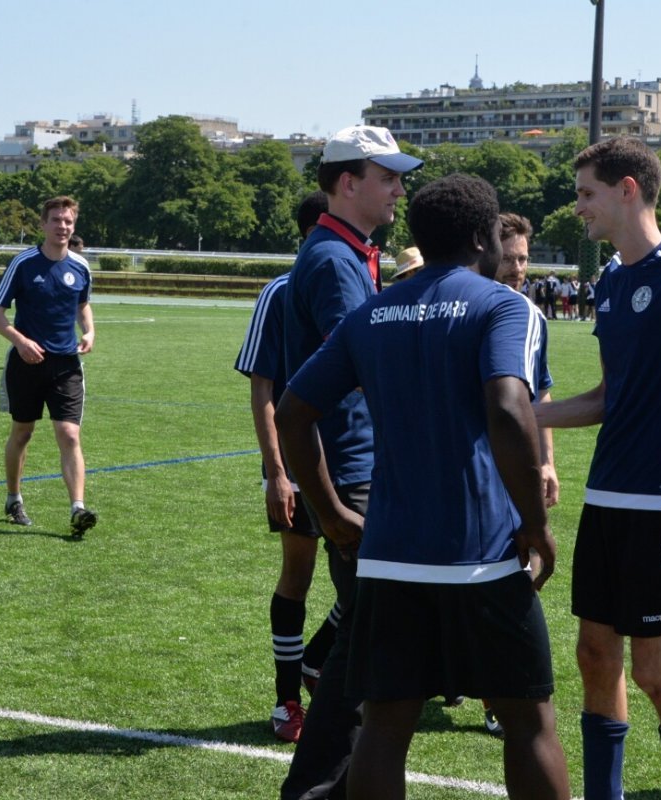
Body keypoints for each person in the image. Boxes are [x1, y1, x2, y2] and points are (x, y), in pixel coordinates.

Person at [277, 173, 570, 800]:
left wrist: (329, 513)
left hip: (388, 558)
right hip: (482, 559)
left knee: (385, 727)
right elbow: (510, 408)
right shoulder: (503, 305)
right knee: (528, 722)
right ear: (480, 236)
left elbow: (292, 413)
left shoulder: (372, 313)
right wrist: (537, 525)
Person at [535, 137, 661, 800]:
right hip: (606, 499)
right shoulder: (612, 282)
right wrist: (521, 417)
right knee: (594, 657)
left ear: (626, 189)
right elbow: (608, 396)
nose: (578, 206)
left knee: (653, 670)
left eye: (587, 192)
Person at [277, 125, 422, 799]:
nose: (399, 187)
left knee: (369, 635)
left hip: (354, 469)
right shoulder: (335, 261)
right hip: (351, 473)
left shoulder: (350, 253)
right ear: (346, 183)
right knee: (382, 636)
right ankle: (325, 787)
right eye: (386, 175)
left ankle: (321, 788)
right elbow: (360, 365)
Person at [234, 190, 339, 743]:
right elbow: (262, 386)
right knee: (298, 573)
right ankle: (286, 701)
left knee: (361, 583)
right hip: (298, 464)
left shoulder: (359, 273)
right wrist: (276, 471)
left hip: (353, 464)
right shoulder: (279, 291)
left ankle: (319, 659)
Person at [484, 209, 561, 738]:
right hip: (479, 469)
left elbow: (541, 395)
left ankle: (495, 697)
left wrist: (549, 461)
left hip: (515, 470)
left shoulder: (531, 314)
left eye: (525, 258)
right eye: (510, 257)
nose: (518, 268)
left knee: (513, 575)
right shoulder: (478, 312)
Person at [0, 195, 98, 539]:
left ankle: (77, 509)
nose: (62, 226)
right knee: (23, 432)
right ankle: (13, 498)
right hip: (26, 365)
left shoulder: (80, 267)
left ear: (73, 225)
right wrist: (20, 342)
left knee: (69, 434)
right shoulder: (23, 264)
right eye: (56, 220)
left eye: (67, 221)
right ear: (43, 224)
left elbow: (83, 304)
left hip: (66, 365)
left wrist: (90, 330)